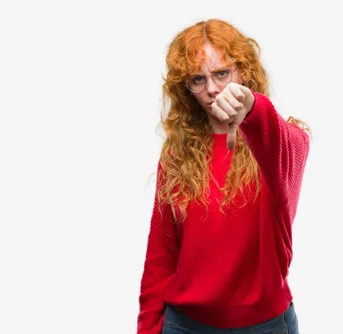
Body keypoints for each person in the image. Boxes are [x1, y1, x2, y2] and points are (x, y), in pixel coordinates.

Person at [137, 18, 310, 334]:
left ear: (243, 71)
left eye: (221, 73)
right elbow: (161, 256)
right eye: (197, 79)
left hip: (265, 326)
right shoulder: (178, 154)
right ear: (186, 88)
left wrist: (251, 107)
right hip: (185, 325)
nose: (212, 88)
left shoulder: (283, 142)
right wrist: (148, 329)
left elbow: (283, 145)